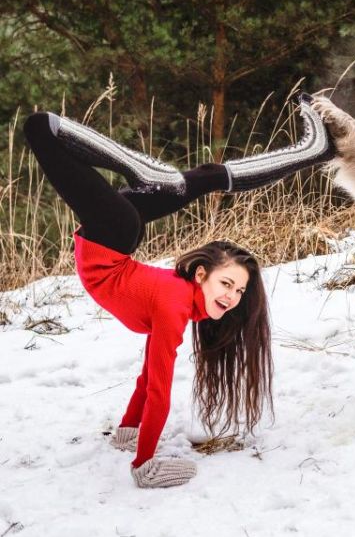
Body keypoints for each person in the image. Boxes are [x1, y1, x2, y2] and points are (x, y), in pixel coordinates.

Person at [23, 98, 334, 489]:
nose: (233, 297)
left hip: (113, 241)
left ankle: (312, 152)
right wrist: (145, 463)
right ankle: (142, 170)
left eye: (239, 290)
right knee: (39, 128)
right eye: (227, 284)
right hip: (114, 234)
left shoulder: (176, 303)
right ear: (200, 275)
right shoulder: (173, 303)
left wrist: (128, 431)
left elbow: (147, 378)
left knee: (202, 179)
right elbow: (158, 390)